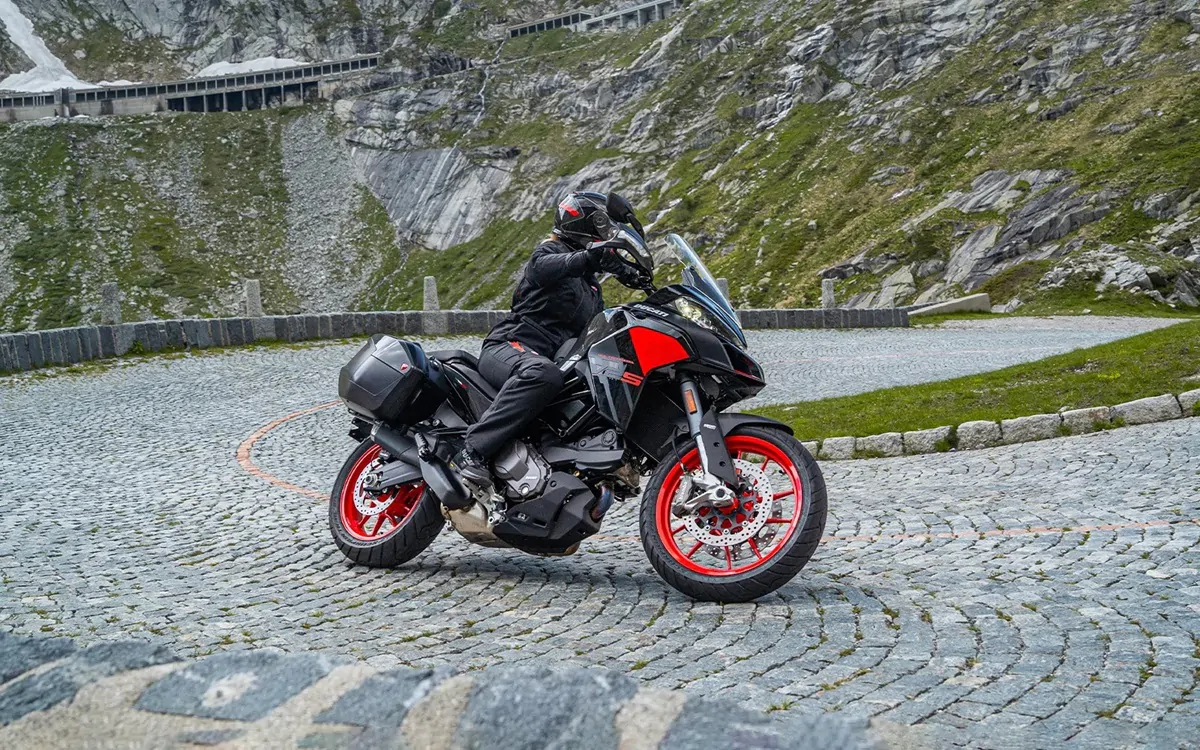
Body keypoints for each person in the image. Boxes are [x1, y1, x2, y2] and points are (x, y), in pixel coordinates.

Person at [449, 191, 638, 488]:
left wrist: (632, 279)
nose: (605, 234)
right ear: (583, 223)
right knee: (542, 373)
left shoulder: (590, 287)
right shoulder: (549, 252)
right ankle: (471, 451)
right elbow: (545, 267)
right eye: (601, 226)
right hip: (510, 345)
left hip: (549, 361)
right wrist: (589, 257)